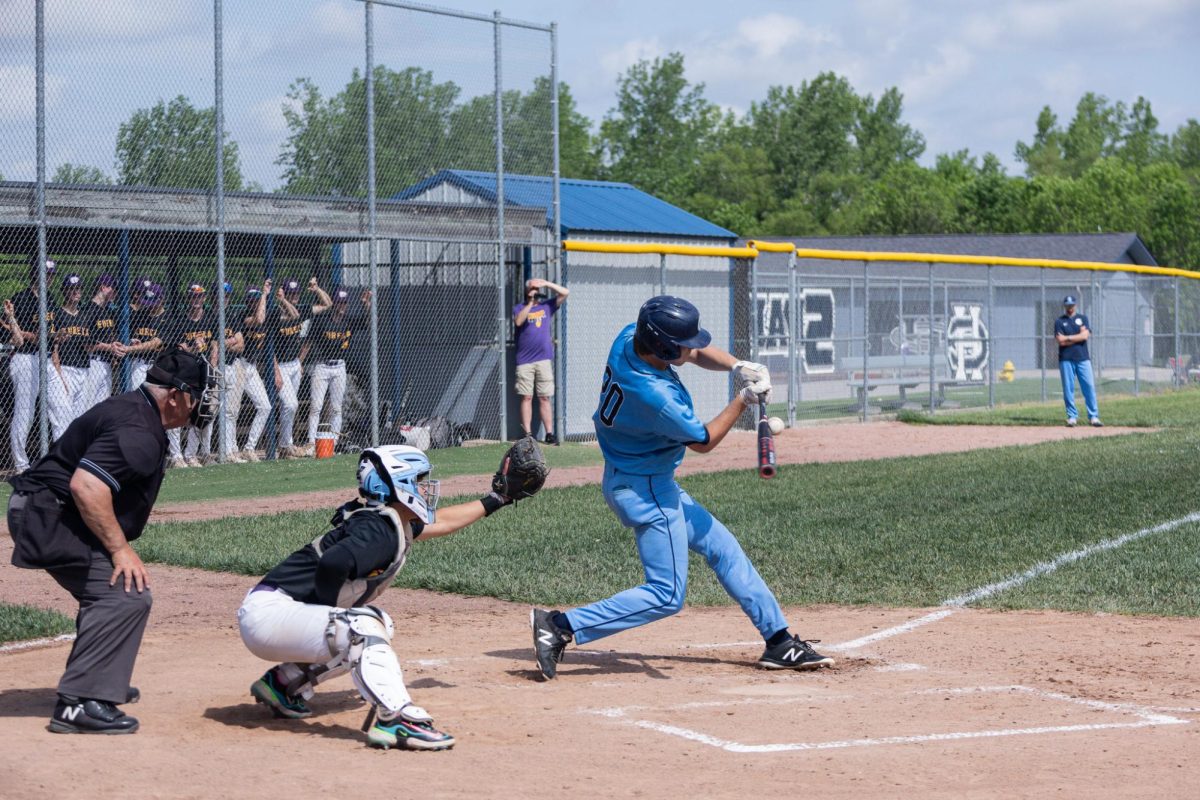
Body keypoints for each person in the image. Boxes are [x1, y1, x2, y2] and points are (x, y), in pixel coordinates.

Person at [530, 295, 834, 680]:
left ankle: (779, 641)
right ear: (662, 347)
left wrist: (739, 366)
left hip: (641, 477)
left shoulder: (629, 339)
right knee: (667, 594)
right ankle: (560, 625)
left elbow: (691, 353)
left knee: (722, 547)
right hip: (647, 490)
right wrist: (743, 399)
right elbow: (704, 441)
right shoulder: (655, 398)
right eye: (683, 343)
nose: (692, 348)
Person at [237, 444, 531, 750]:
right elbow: (333, 563)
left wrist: (499, 499)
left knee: (379, 624)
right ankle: (397, 719)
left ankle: (284, 683)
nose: (424, 487)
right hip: (270, 616)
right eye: (418, 480)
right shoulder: (378, 530)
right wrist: (331, 614)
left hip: (273, 614)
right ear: (395, 484)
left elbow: (441, 521)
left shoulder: (387, 520)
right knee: (362, 626)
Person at [6, 347, 216, 734]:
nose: (203, 402)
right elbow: (86, 485)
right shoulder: (139, 431)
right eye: (199, 394)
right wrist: (120, 549)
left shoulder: (137, 411)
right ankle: (78, 704)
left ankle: (96, 680)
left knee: (108, 592)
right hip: (49, 515)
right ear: (174, 396)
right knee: (124, 593)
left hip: (51, 509)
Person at [5, 260, 72, 471]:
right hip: (25, 359)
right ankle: (21, 464)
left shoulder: (50, 299)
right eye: (46, 274)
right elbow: (9, 328)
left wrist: (58, 337)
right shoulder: (22, 299)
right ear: (36, 275)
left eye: (52, 274)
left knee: (63, 408)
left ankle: (63, 460)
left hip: (45, 359)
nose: (50, 278)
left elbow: (49, 336)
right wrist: (34, 335)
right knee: (25, 413)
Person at [301, 285, 366, 457]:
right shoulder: (322, 320)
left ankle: (334, 443)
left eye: (344, 303)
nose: (342, 306)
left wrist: (367, 304)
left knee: (336, 408)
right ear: (334, 303)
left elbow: (368, 322)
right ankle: (310, 442)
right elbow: (308, 342)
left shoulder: (349, 321)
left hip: (339, 367)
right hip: (322, 366)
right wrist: (300, 362)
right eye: (339, 303)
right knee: (316, 406)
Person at [273, 277, 331, 458]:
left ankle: (286, 446)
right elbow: (270, 346)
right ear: (284, 294)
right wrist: (275, 371)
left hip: (294, 365)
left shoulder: (304, 309)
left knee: (288, 408)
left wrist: (316, 289)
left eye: (297, 293)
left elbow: (327, 304)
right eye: (291, 293)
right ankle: (285, 444)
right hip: (280, 366)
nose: (295, 296)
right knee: (291, 404)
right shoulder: (275, 313)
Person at [167, 282, 218, 468]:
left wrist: (210, 369)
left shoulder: (210, 318)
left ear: (204, 298)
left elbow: (215, 346)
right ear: (188, 298)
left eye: (199, 296)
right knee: (179, 413)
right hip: (184, 374)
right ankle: (176, 456)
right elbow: (178, 350)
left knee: (202, 413)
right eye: (193, 296)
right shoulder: (180, 321)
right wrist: (192, 348)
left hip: (202, 374)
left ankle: (191, 454)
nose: (196, 299)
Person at [513, 277, 569, 444]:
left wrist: (545, 284)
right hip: (525, 361)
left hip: (543, 359)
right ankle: (528, 435)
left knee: (545, 397)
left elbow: (566, 292)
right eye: (532, 289)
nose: (535, 292)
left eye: (537, 290)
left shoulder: (547, 306)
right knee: (527, 397)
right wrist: (530, 302)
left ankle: (549, 433)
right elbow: (518, 321)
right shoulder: (520, 307)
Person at [224, 281, 272, 462]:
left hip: (252, 368)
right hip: (239, 365)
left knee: (265, 406)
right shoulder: (242, 316)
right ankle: (230, 450)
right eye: (251, 300)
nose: (253, 303)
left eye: (256, 300)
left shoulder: (268, 313)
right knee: (232, 411)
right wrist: (264, 295)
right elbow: (258, 320)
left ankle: (249, 448)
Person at [1055, 295, 1102, 428]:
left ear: (1075, 305)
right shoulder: (1059, 321)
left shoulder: (1082, 319)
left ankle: (1093, 416)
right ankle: (1072, 417)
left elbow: (1085, 336)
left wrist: (1068, 337)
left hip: (1082, 358)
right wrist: (1077, 337)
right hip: (1066, 359)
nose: (1070, 308)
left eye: (1072, 305)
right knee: (1068, 389)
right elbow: (1060, 340)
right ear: (1064, 306)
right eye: (1067, 306)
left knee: (1089, 387)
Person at [53, 274, 94, 423]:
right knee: (65, 415)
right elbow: (54, 347)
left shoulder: (85, 316)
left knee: (80, 417)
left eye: (79, 288)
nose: (76, 292)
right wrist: (59, 373)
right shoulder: (58, 314)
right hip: (66, 368)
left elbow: (90, 344)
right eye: (72, 289)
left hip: (84, 368)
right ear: (64, 291)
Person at [85, 274, 123, 409]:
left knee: (102, 408)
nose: (116, 292)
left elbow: (108, 335)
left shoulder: (107, 310)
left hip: (106, 364)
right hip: (92, 363)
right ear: (103, 287)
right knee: (87, 406)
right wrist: (110, 347)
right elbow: (87, 344)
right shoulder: (89, 309)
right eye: (113, 288)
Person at [125, 283, 169, 391]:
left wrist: (129, 349)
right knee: (137, 398)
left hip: (158, 366)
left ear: (162, 299)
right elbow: (130, 334)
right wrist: (132, 341)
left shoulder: (168, 318)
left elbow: (155, 343)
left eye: (153, 302)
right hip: (138, 364)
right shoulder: (140, 315)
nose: (150, 305)